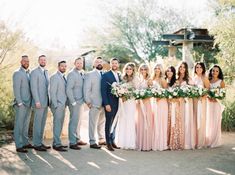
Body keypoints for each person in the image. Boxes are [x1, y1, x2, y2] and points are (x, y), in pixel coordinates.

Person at [84, 57, 106, 149]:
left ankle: (101, 139)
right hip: (94, 102)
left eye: (100, 61)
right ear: (94, 64)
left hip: (104, 103)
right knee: (92, 123)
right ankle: (92, 141)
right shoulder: (90, 74)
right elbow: (86, 89)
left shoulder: (105, 74)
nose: (99, 63)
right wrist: (88, 101)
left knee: (101, 122)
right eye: (97, 62)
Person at [13, 55, 33, 153]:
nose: (26, 63)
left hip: (28, 103)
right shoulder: (17, 73)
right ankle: (19, 145)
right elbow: (16, 89)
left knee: (25, 124)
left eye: (28, 61)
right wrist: (19, 102)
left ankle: (25, 142)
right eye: (24, 61)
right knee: (19, 125)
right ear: (21, 62)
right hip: (21, 104)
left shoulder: (29, 73)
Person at [30, 55, 51, 151]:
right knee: (37, 123)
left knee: (42, 123)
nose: (43, 61)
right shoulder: (34, 72)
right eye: (41, 60)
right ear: (38, 61)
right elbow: (33, 87)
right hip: (38, 102)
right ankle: (36, 144)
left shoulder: (46, 72)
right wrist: (37, 101)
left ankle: (40, 142)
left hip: (46, 102)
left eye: (44, 60)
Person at [116, 62, 138, 150]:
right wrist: (121, 94)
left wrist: (127, 95)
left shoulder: (135, 79)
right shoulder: (122, 78)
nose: (128, 70)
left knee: (130, 120)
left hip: (131, 102)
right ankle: (122, 142)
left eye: (130, 69)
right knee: (123, 120)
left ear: (133, 70)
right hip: (123, 103)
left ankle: (130, 142)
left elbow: (137, 92)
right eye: (127, 68)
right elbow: (119, 89)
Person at [101, 58, 121, 151]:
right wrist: (106, 104)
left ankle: (113, 141)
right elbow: (103, 91)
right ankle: (108, 143)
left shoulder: (120, 75)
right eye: (112, 63)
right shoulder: (106, 75)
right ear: (110, 64)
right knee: (108, 123)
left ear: (118, 64)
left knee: (115, 123)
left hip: (118, 103)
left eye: (116, 63)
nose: (114, 64)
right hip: (109, 103)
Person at [66, 57, 86, 150]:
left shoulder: (81, 73)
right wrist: (73, 101)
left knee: (79, 121)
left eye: (81, 63)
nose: (79, 65)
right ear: (74, 63)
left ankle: (77, 139)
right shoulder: (71, 74)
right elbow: (68, 89)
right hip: (74, 102)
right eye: (77, 63)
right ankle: (72, 142)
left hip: (81, 101)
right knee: (73, 121)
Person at [49, 60, 68, 152]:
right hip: (57, 105)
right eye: (62, 66)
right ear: (58, 67)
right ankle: (57, 144)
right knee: (57, 124)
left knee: (60, 124)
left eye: (65, 66)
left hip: (63, 104)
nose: (64, 68)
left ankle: (57, 142)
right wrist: (56, 105)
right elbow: (52, 92)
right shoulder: (54, 77)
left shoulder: (64, 77)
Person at [151, 63, 168, 151]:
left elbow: (166, 92)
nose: (157, 70)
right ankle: (154, 142)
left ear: (161, 70)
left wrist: (159, 96)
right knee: (154, 122)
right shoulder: (152, 79)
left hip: (161, 103)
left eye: (158, 68)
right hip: (154, 102)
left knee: (161, 122)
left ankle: (161, 143)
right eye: (155, 68)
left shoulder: (163, 79)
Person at [207, 65, 225, 148]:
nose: (214, 72)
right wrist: (209, 97)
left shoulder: (221, 81)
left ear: (219, 72)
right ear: (211, 71)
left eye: (217, 71)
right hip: (209, 103)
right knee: (209, 122)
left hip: (216, 103)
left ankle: (215, 141)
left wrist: (216, 97)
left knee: (216, 121)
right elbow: (206, 91)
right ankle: (209, 140)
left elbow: (223, 94)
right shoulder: (208, 80)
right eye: (213, 70)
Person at [136, 64, 153, 151]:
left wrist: (144, 97)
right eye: (141, 69)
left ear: (147, 70)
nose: (143, 71)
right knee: (140, 122)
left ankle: (146, 144)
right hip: (139, 104)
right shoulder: (138, 80)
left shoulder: (149, 80)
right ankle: (140, 144)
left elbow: (152, 93)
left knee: (147, 122)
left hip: (146, 103)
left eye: (145, 69)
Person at [193, 62, 210, 149]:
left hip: (202, 102)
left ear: (203, 69)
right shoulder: (193, 79)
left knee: (201, 120)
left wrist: (202, 96)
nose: (198, 69)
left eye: (200, 67)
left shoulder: (205, 78)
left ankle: (201, 142)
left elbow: (208, 90)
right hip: (194, 102)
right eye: (197, 67)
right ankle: (194, 141)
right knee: (195, 121)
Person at [165, 66, 176, 147]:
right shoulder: (164, 81)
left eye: (171, 71)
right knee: (166, 122)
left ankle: (172, 141)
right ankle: (165, 141)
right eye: (168, 71)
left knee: (173, 122)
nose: (169, 72)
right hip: (165, 104)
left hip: (173, 104)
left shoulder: (176, 82)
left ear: (173, 73)